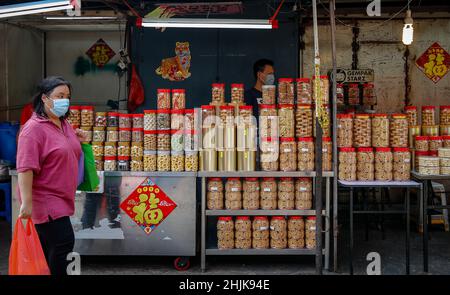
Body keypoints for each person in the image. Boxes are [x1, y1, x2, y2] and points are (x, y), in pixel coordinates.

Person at [16, 76, 86, 275]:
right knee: (63, 244)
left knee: (51, 250)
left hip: (62, 198)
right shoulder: (33, 129)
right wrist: (26, 203)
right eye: (59, 96)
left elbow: (63, 152)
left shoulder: (63, 124)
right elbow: (25, 167)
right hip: (45, 200)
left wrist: (80, 141)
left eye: (67, 96)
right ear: (45, 98)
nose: (65, 100)